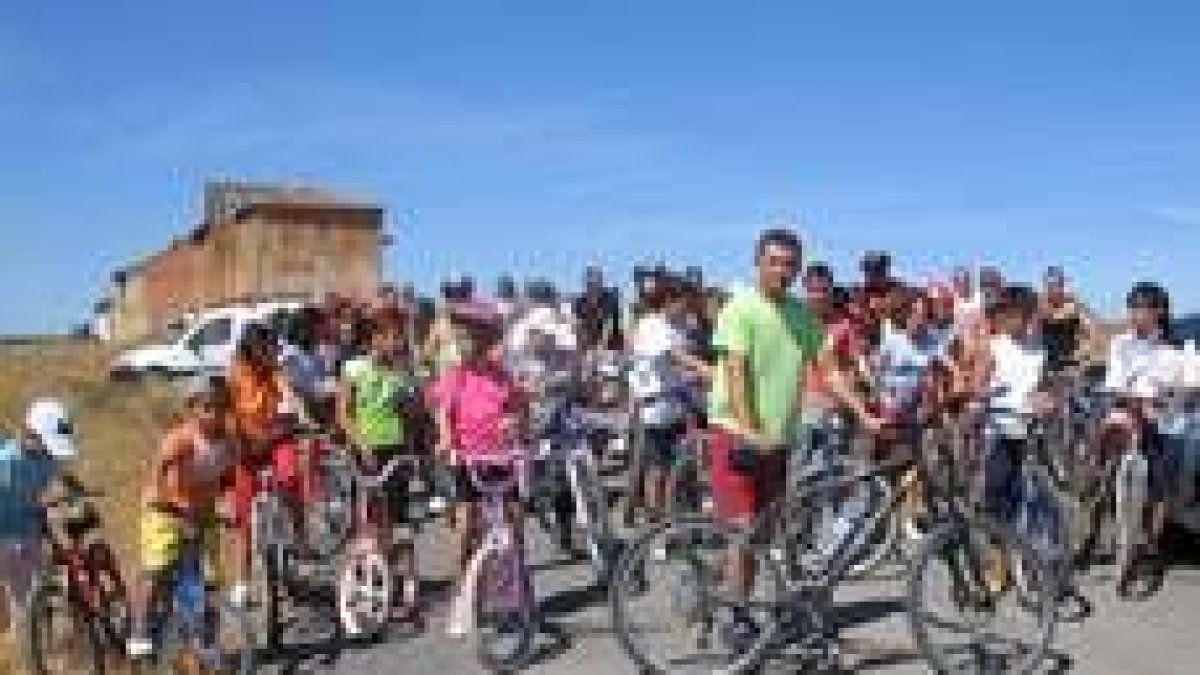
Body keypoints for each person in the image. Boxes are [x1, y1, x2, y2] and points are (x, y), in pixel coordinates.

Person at [706, 229, 827, 644]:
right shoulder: (740, 308)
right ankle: (734, 618)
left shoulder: (800, 313)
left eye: (790, 264)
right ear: (757, 262)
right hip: (737, 436)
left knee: (763, 533)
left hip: (777, 441)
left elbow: (825, 368)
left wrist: (868, 412)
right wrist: (750, 429)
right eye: (774, 262)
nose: (783, 271)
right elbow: (735, 373)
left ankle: (741, 602)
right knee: (742, 529)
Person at [127, 377, 238, 657]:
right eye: (208, 408)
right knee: (157, 569)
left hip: (204, 516)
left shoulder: (229, 443)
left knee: (210, 582)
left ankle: (209, 642)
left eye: (222, 408)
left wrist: (227, 505)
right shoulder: (181, 439)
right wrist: (158, 497)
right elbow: (160, 470)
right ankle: (139, 631)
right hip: (166, 513)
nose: (215, 415)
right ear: (193, 408)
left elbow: (226, 478)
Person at [428, 301, 527, 583]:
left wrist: (517, 425)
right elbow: (443, 411)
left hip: (501, 454)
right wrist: (446, 438)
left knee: (515, 516)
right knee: (467, 518)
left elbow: (518, 407)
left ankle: (515, 581)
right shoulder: (456, 375)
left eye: (479, 336)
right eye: (468, 336)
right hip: (468, 456)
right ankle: (460, 580)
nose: (471, 342)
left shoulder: (502, 375)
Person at [337, 320, 422, 620]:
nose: (396, 343)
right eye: (390, 337)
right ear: (375, 339)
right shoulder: (353, 368)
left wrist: (412, 452)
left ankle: (409, 585)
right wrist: (360, 444)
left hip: (395, 449)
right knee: (367, 518)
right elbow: (343, 413)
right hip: (365, 451)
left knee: (400, 519)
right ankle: (364, 581)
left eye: (399, 338)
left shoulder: (400, 375)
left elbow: (410, 418)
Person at [1101, 282, 1178, 584]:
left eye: (1141, 308)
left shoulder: (1173, 347)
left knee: (1159, 488)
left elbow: (1179, 388)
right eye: (1132, 307)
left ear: (1159, 311)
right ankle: (1102, 531)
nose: (1135, 314)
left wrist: (1168, 400)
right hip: (1124, 414)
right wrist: (1125, 399)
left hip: (1159, 421)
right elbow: (1113, 379)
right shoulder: (1120, 342)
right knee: (1107, 469)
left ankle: (1150, 547)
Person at [227, 323, 304, 607]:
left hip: (276, 440)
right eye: (268, 349)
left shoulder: (275, 372)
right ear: (253, 350)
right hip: (246, 448)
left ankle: (297, 538)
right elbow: (228, 412)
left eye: (274, 349)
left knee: (290, 477)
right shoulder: (235, 374)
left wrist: (295, 413)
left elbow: (290, 398)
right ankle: (242, 580)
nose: (273, 354)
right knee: (243, 517)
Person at [628, 276, 709, 521]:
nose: (688, 308)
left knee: (680, 465)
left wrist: (697, 376)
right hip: (654, 408)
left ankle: (681, 517)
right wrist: (706, 370)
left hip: (677, 405)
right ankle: (655, 526)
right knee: (657, 469)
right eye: (685, 302)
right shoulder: (652, 324)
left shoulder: (681, 325)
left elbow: (681, 365)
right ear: (670, 300)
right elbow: (674, 356)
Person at [0, 399, 80, 637]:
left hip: (30, 534)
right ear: (31, 434)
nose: (50, 452)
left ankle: (34, 649)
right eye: (47, 445)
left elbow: (63, 474)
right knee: (16, 608)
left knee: (36, 603)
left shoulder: (49, 457)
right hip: (6, 537)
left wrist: (76, 493)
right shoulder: (5, 461)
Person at [1039, 267, 1094, 374]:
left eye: (1057, 285)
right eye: (1049, 285)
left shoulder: (1076, 309)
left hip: (1070, 366)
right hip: (1044, 366)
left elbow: (1090, 334)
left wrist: (1081, 358)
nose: (1053, 289)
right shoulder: (1039, 309)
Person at [573, 266, 623, 352]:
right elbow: (578, 328)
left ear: (601, 285)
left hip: (609, 335)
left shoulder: (610, 299)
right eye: (590, 285)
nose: (593, 288)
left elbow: (617, 324)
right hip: (591, 336)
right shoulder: (580, 303)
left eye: (596, 284)